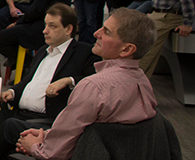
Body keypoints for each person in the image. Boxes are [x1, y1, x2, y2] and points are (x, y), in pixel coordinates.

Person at [16, 9, 157, 160]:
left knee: (10, 133)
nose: (96, 33)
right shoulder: (143, 83)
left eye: (107, 32)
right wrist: (48, 135)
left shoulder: (94, 86)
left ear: (127, 49)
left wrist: (33, 146)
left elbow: (52, 153)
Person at [0, 4, 99, 159]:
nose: (45, 30)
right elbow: (30, 80)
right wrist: (12, 91)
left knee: (7, 127)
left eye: (52, 26)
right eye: (45, 25)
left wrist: (68, 81)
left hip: (47, 120)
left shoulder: (84, 53)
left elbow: (96, 81)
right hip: (19, 112)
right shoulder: (43, 50)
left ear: (68, 29)